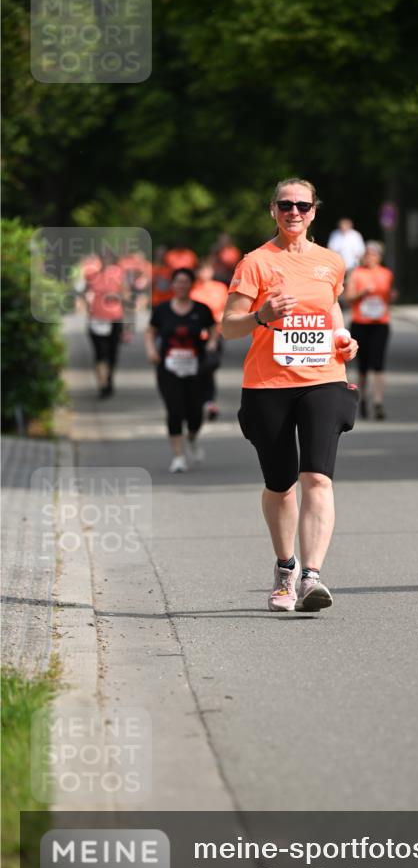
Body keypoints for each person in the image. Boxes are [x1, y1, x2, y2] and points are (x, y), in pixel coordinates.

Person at [221, 178, 359, 612]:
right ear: (273, 210)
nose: (294, 212)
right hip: (268, 385)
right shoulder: (255, 263)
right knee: (280, 485)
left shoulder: (331, 262)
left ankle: (312, 578)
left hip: (324, 378)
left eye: (302, 205)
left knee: (317, 476)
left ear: (314, 211)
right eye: (286, 205)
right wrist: (260, 315)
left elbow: (332, 309)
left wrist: (344, 338)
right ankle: (286, 569)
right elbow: (228, 325)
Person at [144, 268, 217, 473]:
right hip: (168, 368)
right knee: (174, 410)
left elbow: (213, 330)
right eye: (177, 282)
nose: (181, 286)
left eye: (185, 282)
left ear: (191, 285)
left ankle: (192, 438)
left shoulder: (201, 310)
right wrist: (151, 351)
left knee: (195, 413)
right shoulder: (162, 309)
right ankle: (178, 456)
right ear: (173, 285)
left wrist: (211, 344)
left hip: (196, 368)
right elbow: (150, 332)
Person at [345, 240, 396, 420]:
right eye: (367, 254)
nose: (369, 257)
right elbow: (348, 298)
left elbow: (388, 296)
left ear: (379, 257)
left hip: (380, 323)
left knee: (379, 364)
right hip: (360, 323)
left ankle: (378, 402)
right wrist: (362, 293)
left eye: (373, 254)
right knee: (363, 367)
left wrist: (392, 296)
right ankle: (363, 399)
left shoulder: (386, 274)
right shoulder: (356, 274)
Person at [85, 252, 128, 398]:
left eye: (107, 258)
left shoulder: (118, 273)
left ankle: (109, 380)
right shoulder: (92, 275)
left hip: (115, 318)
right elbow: (85, 292)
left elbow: (126, 294)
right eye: (102, 258)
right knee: (100, 353)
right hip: (97, 319)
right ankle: (102, 384)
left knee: (112, 353)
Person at [191, 259, 228, 420]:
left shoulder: (220, 288)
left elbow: (229, 308)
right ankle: (203, 402)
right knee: (197, 370)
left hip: (216, 334)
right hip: (196, 336)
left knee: (210, 368)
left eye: (206, 270)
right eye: (201, 270)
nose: (204, 274)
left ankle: (208, 401)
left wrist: (222, 315)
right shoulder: (192, 290)